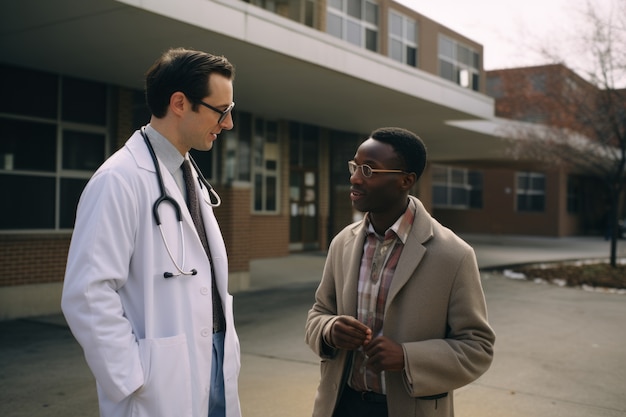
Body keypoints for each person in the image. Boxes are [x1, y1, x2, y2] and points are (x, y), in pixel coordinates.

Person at [61, 48, 241, 417]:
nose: (228, 124)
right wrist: (133, 378)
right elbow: (87, 294)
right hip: (159, 381)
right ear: (179, 103)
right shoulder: (118, 180)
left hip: (214, 361)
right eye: (221, 111)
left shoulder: (188, 172)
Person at [305, 127, 495, 417]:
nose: (355, 178)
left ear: (406, 181)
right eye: (355, 166)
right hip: (340, 404)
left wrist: (408, 358)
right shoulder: (342, 242)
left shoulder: (454, 255)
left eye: (369, 170)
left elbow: (477, 348)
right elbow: (319, 312)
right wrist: (330, 330)